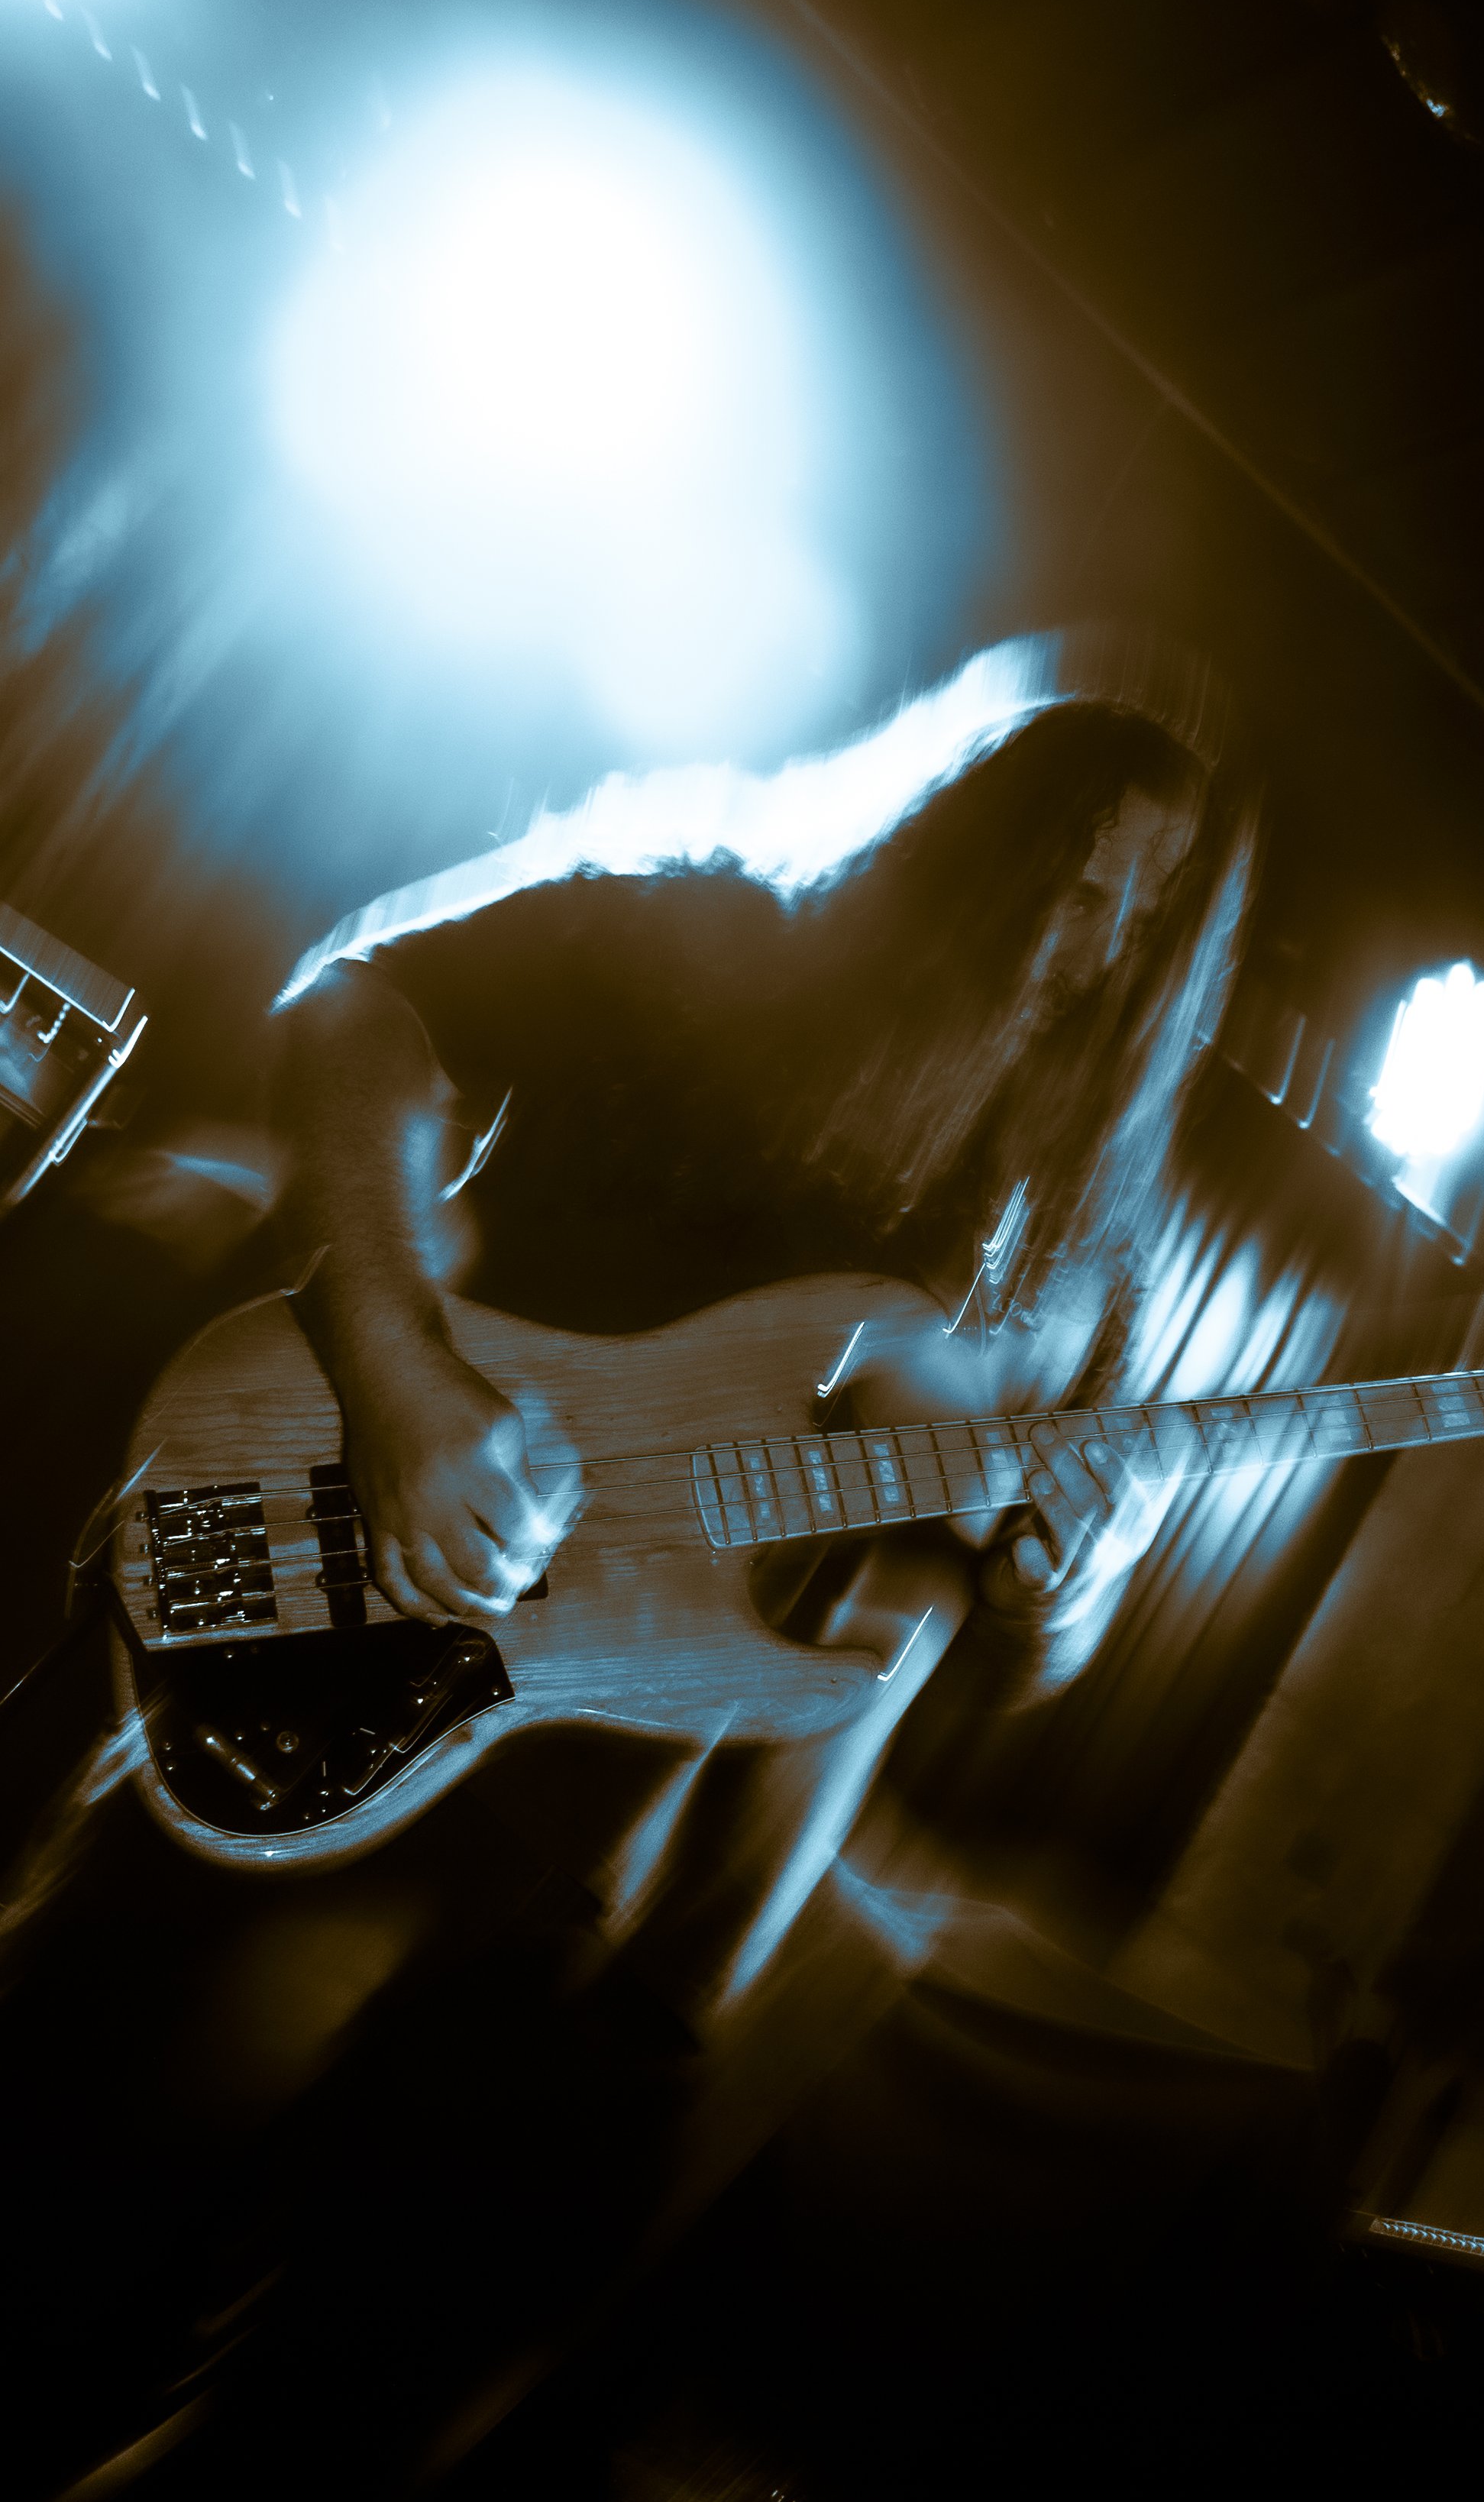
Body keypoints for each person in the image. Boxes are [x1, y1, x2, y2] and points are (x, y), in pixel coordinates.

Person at [272, 694, 1253, 2018]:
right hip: (348, 1598)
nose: (1079, 952)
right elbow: (357, 1007)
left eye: (1140, 937)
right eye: (1069, 887)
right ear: (968, 842)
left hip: (602, 1870)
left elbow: (1003, 1647)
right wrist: (395, 1360)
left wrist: (1065, 1590)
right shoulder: (720, 937)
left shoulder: (1082, 1254)